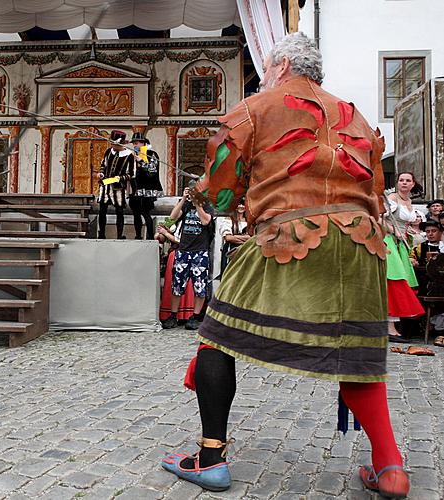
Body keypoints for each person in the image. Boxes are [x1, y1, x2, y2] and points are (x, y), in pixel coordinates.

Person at [161, 33, 410, 498]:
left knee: (216, 337)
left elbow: (218, 194)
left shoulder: (256, 107)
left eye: (267, 70)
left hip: (289, 235)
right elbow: (376, 192)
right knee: (356, 354)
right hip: (363, 243)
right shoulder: (355, 114)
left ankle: (211, 458)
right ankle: (390, 466)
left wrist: (205, 195)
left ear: (280, 67)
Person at [160, 186, 214, 331]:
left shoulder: (208, 205)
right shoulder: (185, 205)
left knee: (200, 286)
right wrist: (183, 199)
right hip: (183, 250)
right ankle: (173, 315)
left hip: (200, 251)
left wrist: (197, 204)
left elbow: (205, 221)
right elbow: (171, 218)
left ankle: (195, 317)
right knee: (177, 285)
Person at [383, 172, 425, 339]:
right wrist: (395, 232)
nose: (404, 183)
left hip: (401, 243)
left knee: (402, 281)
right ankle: (389, 327)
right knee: (394, 281)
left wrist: (406, 232)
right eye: (401, 180)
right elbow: (379, 220)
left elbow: (405, 222)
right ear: (397, 183)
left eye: (408, 181)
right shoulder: (391, 198)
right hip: (388, 241)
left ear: (413, 184)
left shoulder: (408, 201)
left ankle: (391, 326)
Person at [97, 130, 133, 239]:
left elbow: (130, 174)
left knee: (119, 211)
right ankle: (101, 234)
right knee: (102, 210)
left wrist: (120, 178)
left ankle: (119, 235)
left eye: (114, 144)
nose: (112, 146)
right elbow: (103, 165)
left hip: (118, 188)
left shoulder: (129, 156)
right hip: (106, 184)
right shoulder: (109, 151)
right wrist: (101, 173)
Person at [128, 132, 164, 240]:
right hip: (136, 189)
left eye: (136, 143)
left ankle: (149, 236)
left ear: (143, 143)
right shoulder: (134, 155)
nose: (134, 145)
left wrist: (142, 161)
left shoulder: (151, 154)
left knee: (145, 212)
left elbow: (152, 171)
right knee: (135, 212)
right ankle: (138, 235)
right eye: (133, 143)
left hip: (148, 189)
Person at [216, 200, 249, 278]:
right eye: (239, 204)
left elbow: (252, 237)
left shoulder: (249, 221)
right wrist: (245, 238)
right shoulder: (228, 219)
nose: (241, 207)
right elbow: (228, 238)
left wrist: (234, 236)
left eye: (243, 204)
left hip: (246, 251)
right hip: (231, 251)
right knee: (229, 274)